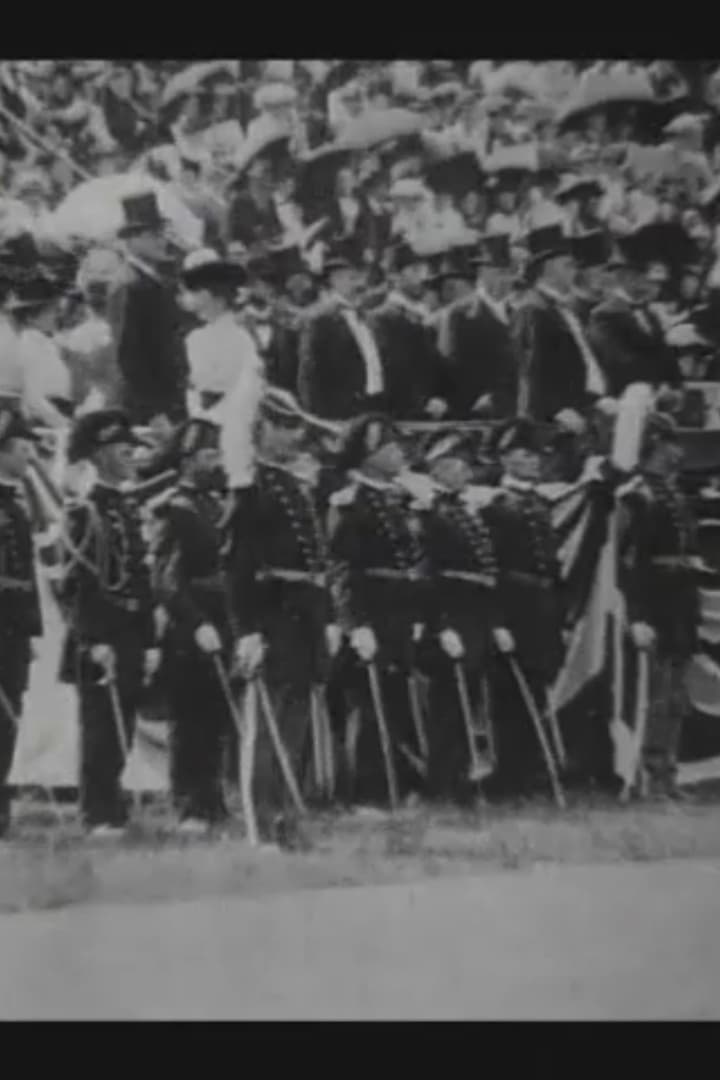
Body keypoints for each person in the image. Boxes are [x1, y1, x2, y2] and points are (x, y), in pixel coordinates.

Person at [225, 389, 341, 831]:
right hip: (272, 615)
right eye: (286, 427)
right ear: (262, 428)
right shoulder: (249, 486)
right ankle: (262, 821)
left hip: (303, 615)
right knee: (265, 721)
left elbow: (316, 561)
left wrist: (326, 615)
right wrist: (247, 630)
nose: (295, 437)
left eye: (296, 427)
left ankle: (284, 817)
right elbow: (237, 566)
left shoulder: (293, 485)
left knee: (293, 723)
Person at [58, 409, 160, 836]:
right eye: (123, 451)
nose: (132, 457)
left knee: (126, 720)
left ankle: (113, 805)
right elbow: (76, 585)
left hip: (132, 629)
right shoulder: (85, 511)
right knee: (101, 725)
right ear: (99, 456)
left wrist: (150, 638)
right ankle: (96, 811)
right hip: (100, 633)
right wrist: (94, 640)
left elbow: (141, 578)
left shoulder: (128, 507)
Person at [329, 414, 427, 810]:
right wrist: (355, 623)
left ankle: (398, 786)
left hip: (398, 610)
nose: (398, 453)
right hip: (371, 608)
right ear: (367, 457)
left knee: (395, 698)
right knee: (367, 706)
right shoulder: (349, 502)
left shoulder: (393, 499)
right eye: (388, 447)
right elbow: (341, 568)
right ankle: (366, 794)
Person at [420, 430, 514, 803]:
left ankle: (464, 779)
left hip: (475, 613)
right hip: (451, 612)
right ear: (436, 470)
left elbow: (485, 573)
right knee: (448, 703)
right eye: (454, 464)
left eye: (464, 464)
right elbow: (427, 574)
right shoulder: (428, 513)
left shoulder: (466, 512)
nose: (463, 471)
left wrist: (495, 622)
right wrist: (441, 625)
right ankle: (443, 783)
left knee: (471, 699)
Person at [151, 417, 233, 833]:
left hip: (222, 619)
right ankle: (188, 805)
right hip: (191, 624)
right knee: (189, 719)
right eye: (207, 454)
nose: (215, 461)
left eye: (217, 453)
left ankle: (212, 799)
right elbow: (165, 579)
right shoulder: (174, 508)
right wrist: (196, 621)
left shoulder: (215, 504)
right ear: (186, 460)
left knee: (216, 716)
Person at [482, 419, 567, 799]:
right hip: (514, 605)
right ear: (504, 459)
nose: (534, 462)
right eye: (525, 454)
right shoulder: (494, 506)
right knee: (510, 694)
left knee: (538, 687)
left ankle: (536, 770)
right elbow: (490, 568)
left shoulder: (542, 503)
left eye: (538, 455)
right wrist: (497, 619)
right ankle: (509, 774)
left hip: (543, 607)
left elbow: (553, 564)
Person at [619, 412, 700, 801]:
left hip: (681, 601)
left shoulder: (673, 494)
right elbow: (628, 561)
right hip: (654, 601)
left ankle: (667, 770)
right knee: (654, 692)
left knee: (675, 693)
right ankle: (648, 774)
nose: (678, 452)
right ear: (654, 446)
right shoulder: (637, 496)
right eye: (670, 443)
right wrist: (636, 616)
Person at [512, 223, 609, 426]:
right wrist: (555, 410)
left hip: (579, 408)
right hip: (553, 420)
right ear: (548, 270)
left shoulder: (558, 308)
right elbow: (531, 371)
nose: (574, 272)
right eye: (567, 265)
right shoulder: (534, 309)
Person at [106, 192, 188, 425]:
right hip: (147, 410)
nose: (161, 241)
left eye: (161, 234)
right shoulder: (128, 283)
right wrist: (153, 412)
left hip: (170, 400)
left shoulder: (154, 279)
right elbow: (128, 357)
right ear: (132, 240)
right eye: (153, 235)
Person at [0, 407, 43, 837]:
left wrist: (30, 627)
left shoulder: (15, 502)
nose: (31, 459)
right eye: (25, 450)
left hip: (13, 630)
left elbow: (26, 573)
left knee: (9, 719)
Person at [588, 225, 683, 397]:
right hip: (624, 401)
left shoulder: (651, 315)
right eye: (649, 278)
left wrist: (676, 387)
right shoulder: (603, 315)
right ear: (628, 277)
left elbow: (667, 357)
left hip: (659, 399)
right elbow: (619, 364)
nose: (656, 286)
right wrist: (658, 385)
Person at [298, 244, 388, 420]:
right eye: (351, 278)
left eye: (358, 278)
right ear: (334, 280)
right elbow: (309, 375)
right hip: (340, 410)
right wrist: (317, 419)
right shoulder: (320, 319)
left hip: (374, 403)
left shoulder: (366, 316)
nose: (358, 284)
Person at [437, 232, 518, 419]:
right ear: (482, 273)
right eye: (498, 273)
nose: (504, 280)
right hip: (476, 415)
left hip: (513, 413)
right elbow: (451, 371)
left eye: (508, 273)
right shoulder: (460, 315)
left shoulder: (517, 314)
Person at [369, 242, 448, 420]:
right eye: (414, 271)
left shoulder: (424, 315)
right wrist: (421, 403)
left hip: (434, 412)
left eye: (423, 270)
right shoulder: (382, 319)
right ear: (394, 277)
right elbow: (393, 372)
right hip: (403, 417)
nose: (422, 277)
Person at [7, 272, 72, 429]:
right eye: (52, 311)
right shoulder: (28, 347)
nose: (58, 315)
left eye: (57, 309)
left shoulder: (49, 343)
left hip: (58, 415)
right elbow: (34, 399)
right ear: (31, 317)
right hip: (43, 424)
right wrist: (65, 424)